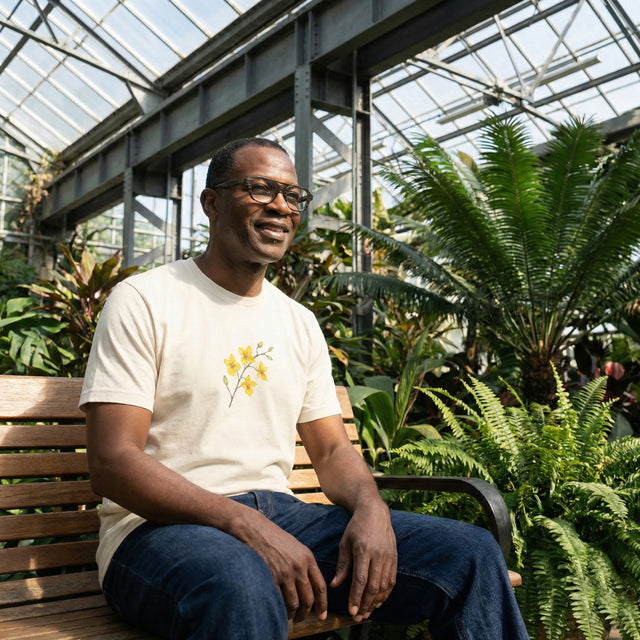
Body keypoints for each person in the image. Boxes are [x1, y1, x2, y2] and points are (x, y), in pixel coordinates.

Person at [81, 137, 530, 640]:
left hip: (284, 519)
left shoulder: (297, 323)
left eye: (293, 196)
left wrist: (371, 507)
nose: (280, 206)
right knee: (240, 580)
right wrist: (245, 525)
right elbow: (113, 463)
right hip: (158, 532)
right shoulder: (146, 299)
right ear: (211, 203)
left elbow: (333, 448)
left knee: (468, 554)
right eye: (259, 189)